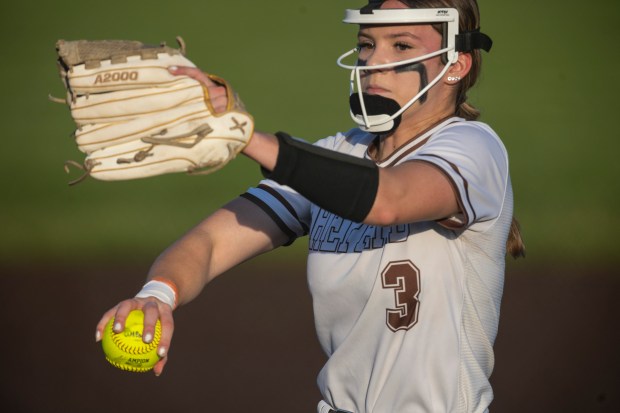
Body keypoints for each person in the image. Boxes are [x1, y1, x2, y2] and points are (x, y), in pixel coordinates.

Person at [96, 0, 525, 411]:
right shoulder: (338, 155)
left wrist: (248, 139)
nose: (374, 60)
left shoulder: (473, 149)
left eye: (402, 45)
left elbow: (388, 199)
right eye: (366, 44)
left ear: (456, 65)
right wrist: (157, 295)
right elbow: (210, 242)